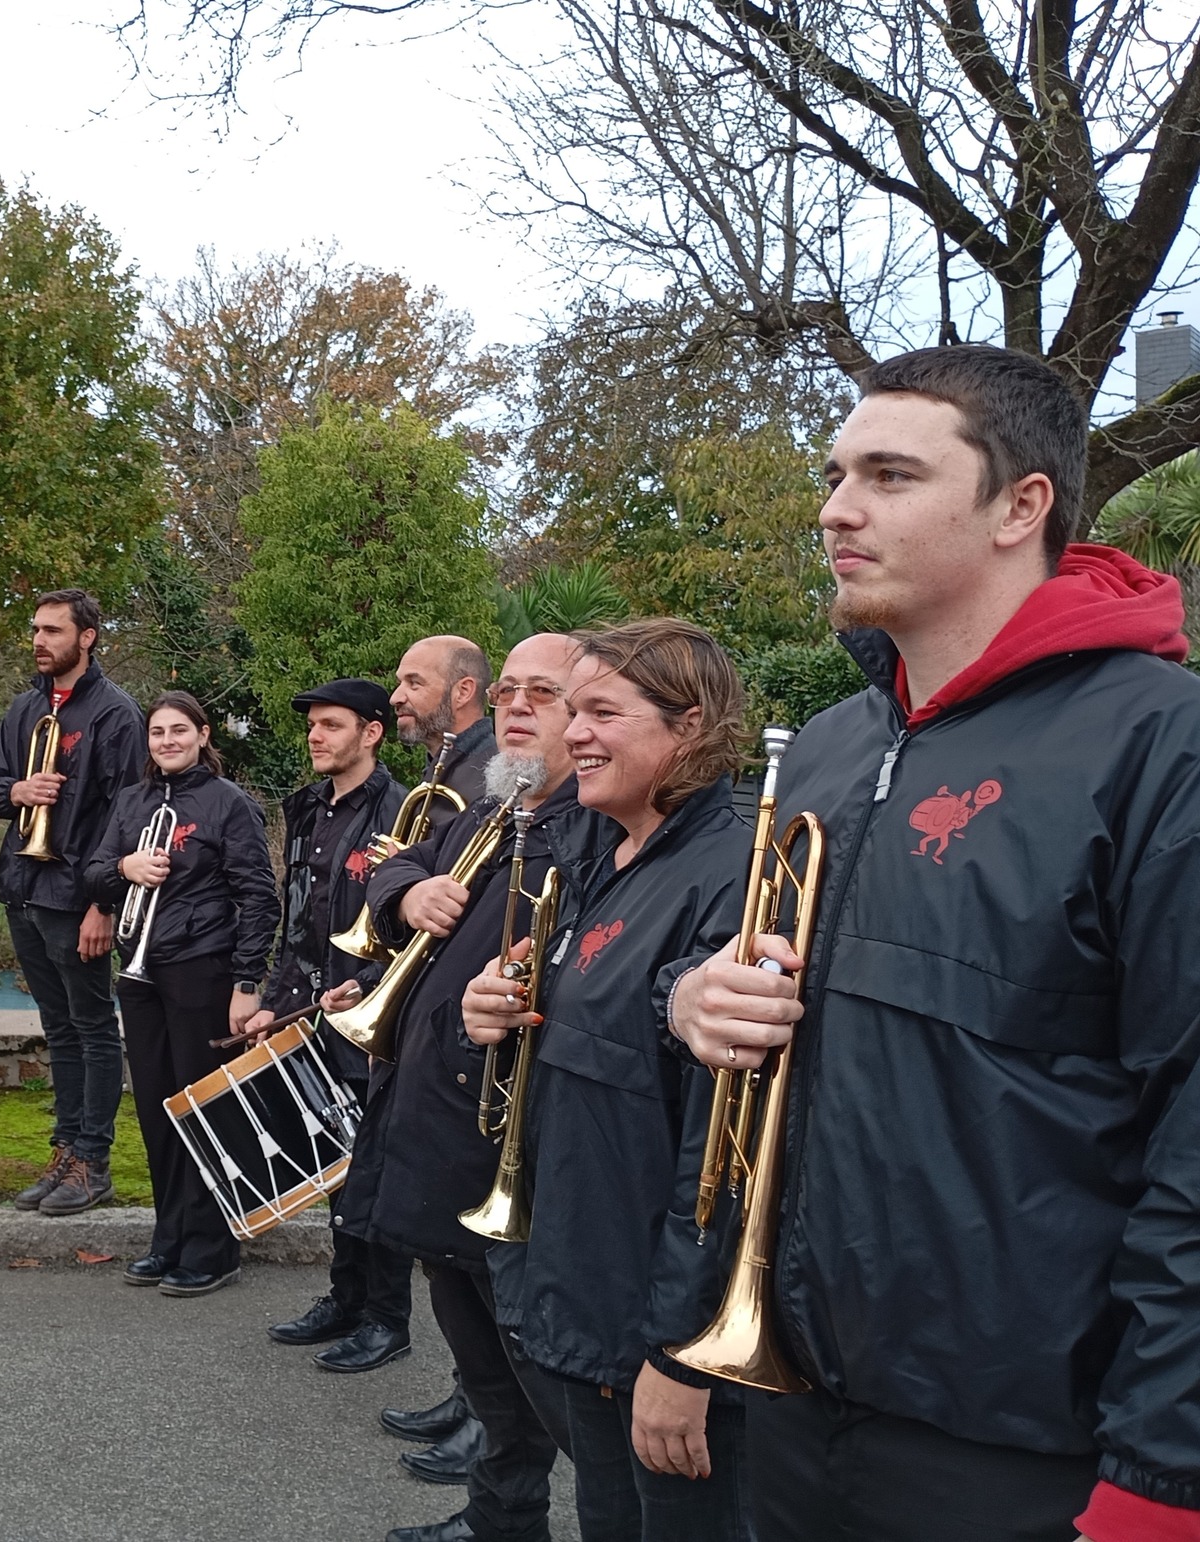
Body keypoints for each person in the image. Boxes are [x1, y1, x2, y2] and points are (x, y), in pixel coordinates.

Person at [665, 344, 1200, 1542]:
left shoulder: (1161, 747)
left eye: (890, 476)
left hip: (1021, 1451)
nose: (834, 508)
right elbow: (746, 1010)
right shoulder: (829, 747)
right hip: (795, 1401)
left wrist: (1163, 1479)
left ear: (1020, 506)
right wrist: (690, 998)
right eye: (834, 474)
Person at [463, 619, 754, 1540]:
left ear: (690, 724)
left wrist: (682, 1353)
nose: (574, 732)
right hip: (580, 1289)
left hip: (649, 1327)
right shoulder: (602, 853)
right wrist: (496, 1011)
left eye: (603, 713)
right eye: (574, 710)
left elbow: (726, 1154)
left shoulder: (734, 875)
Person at [340, 633, 583, 1542]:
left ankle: (507, 1507)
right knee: (469, 1332)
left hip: (496, 1133)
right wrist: (409, 895)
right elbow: (397, 861)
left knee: (523, 1355)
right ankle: (496, 1510)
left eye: (542, 694)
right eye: (509, 691)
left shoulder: (588, 829)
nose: (516, 708)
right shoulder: (497, 803)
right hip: (432, 1116)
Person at [240, 678, 420, 1369]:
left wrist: (367, 990)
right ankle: (346, 1298)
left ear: (372, 733)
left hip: (372, 1016)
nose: (316, 735)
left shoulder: (403, 810)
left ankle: (387, 1319)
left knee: (376, 1170)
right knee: (337, 1166)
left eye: (332, 724)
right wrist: (272, 999)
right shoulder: (308, 807)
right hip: (310, 1012)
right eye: (312, 724)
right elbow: (300, 921)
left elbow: (412, 928)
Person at [82, 691, 278, 1297]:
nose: (166, 741)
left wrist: (246, 981)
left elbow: (258, 897)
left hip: (203, 970)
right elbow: (92, 874)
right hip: (141, 974)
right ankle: (168, 1237)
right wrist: (125, 869)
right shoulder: (132, 800)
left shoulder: (228, 802)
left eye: (178, 730)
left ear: (202, 734)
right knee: (156, 1109)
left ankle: (213, 1246)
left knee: (205, 1108)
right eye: (157, 732)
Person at [0, 589, 146, 1216]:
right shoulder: (25, 708)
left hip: (78, 897)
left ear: (87, 637)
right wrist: (17, 790)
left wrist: (104, 905)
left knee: (94, 1027)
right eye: (36, 630)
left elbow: (129, 816)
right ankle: (65, 1148)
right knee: (58, 1027)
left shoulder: (116, 714)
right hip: (24, 887)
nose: (39, 641)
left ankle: (92, 1162)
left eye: (53, 630)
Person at [392, 635, 497, 806]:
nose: (395, 698)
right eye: (400, 683)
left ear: (463, 692)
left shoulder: (496, 788)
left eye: (414, 683)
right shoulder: (437, 771)